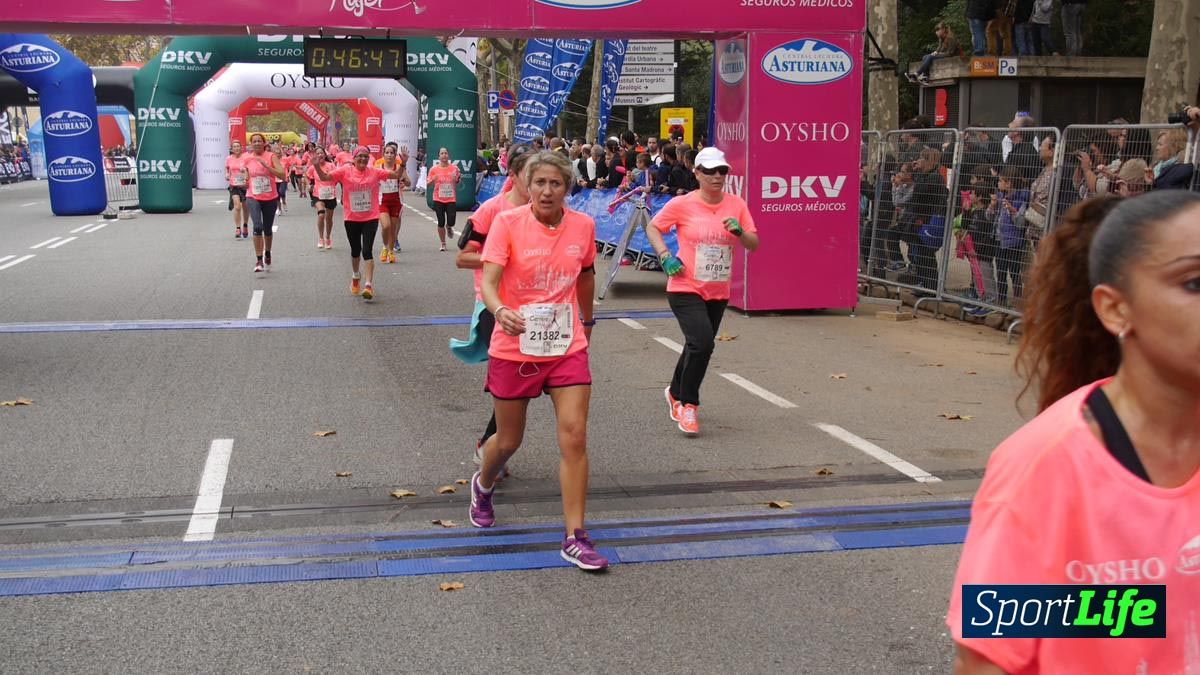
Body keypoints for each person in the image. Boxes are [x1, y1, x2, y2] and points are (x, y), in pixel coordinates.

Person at [948, 190, 1200, 674]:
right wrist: (1137, 611)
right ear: (1115, 309)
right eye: (1194, 282)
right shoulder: (1044, 464)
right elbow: (984, 659)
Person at [472, 151, 605, 571]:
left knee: (575, 435)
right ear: (527, 186)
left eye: (556, 183)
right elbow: (489, 282)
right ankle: (484, 484)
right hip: (515, 344)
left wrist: (587, 321)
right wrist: (499, 310)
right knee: (508, 441)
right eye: (540, 183)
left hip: (565, 344)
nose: (547, 191)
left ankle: (575, 535)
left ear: (568, 188)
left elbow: (586, 275)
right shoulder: (507, 223)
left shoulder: (583, 226)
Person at [645, 147, 760, 436]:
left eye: (722, 171)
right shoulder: (682, 204)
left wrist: (740, 233)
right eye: (709, 171)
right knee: (703, 344)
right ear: (696, 173)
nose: (717, 176)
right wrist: (665, 256)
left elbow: (753, 244)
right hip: (684, 285)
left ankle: (674, 392)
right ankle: (689, 404)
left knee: (696, 344)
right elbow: (654, 228)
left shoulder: (736, 204)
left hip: (717, 289)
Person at [452, 144, 534, 475]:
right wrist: (504, 259)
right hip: (494, 305)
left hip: (534, 306)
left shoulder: (546, 211)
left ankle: (494, 442)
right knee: (513, 382)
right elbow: (462, 258)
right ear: (513, 175)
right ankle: (490, 444)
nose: (540, 183)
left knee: (524, 384)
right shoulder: (490, 210)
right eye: (531, 175)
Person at [311, 146, 406, 301]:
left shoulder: (374, 172)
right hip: (351, 218)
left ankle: (368, 285)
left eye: (365, 156)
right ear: (354, 158)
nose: (363, 159)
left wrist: (403, 163)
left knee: (367, 251)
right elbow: (325, 177)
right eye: (359, 156)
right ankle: (356, 275)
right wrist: (316, 165)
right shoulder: (345, 171)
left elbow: (395, 175)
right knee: (356, 251)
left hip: (370, 217)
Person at [244, 133, 287, 274]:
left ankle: (267, 252)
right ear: (251, 144)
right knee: (257, 226)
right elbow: (246, 176)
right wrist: (245, 181)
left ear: (264, 143)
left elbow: (282, 175)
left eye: (259, 141)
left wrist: (267, 166)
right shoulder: (247, 158)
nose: (257, 143)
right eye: (254, 141)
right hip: (253, 196)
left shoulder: (271, 156)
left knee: (267, 229)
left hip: (270, 197)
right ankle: (259, 260)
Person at [375, 142, 411, 263]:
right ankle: (385, 247)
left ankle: (390, 251)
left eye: (392, 153)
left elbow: (409, 183)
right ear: (383, 154)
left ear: (395, 155)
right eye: (387, 153)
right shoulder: (378, 167)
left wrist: (404, 181)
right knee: (386, 226)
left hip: (396, 201)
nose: (389, 155)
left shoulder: (400, 167)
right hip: (382, 200)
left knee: (393, 228)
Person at [427, 147, 461, 251]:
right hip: (438, 199)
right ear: (439, 156)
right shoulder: (434, 169)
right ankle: (443, 243)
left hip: (451, 199)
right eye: (442, 153)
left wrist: (456, 180)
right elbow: (428, 184)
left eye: (445, 153)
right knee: (440, 221)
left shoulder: (454, 169)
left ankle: (449, 226)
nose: (444, 155)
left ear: (448, 155)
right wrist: (433, 180)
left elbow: (459, 183)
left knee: (451, 221)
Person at [306, 146, 338, 250]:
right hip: (318, 194)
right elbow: (306, 176)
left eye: (321, 153)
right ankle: (320, 238)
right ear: (315, 156)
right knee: (321, 215)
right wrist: (308, 185)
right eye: (318, 153)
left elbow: (337, 176)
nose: (320, 155)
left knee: (329, 219)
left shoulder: (331, 165)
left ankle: (327, 237)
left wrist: (333, 184)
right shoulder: (313, 167)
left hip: (330, 195)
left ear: (325, 155)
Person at [226, 141, 249, 240]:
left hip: (244, 185)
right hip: (234, 185)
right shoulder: (229, 158)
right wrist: (227, 175)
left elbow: (249, 169)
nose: (236, 148)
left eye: (238, 146)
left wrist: (246, 175)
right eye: (234, 147)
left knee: (245, 207)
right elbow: (227, 169)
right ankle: (238, 228)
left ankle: (245, 225)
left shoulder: (246, 157)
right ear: (232, 149)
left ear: (241, 148)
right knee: (237, 206)